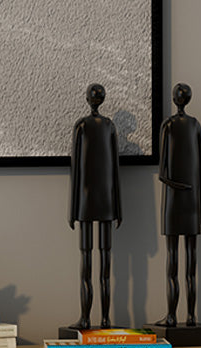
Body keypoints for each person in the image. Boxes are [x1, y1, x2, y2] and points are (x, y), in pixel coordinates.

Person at [68, 84, 121, 329]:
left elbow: (76, 171)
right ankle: (105, 319)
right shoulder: (109, 126)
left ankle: (87, 317)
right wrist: (119, 207)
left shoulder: (81, 126)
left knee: (87, 264)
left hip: (87, 200)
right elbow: (116, 171)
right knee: (105, 266)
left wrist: (72, 209)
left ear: (88, 98)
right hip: (108, 201)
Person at [157, 83, 201, 327]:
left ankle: (175, 315)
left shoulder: (169, 125)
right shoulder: (194, 125)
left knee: (175, 263)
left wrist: (181, 188)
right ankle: (187, 316)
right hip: (191, 201)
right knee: (189, 264)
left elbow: (162, 172)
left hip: (177, 200)